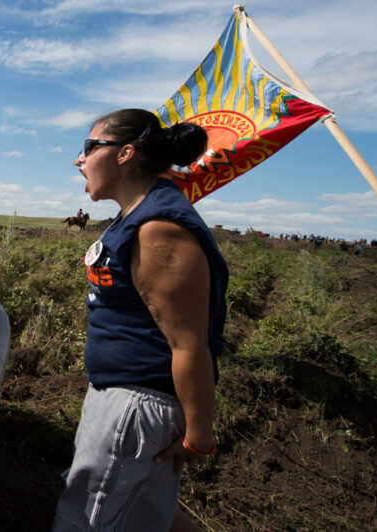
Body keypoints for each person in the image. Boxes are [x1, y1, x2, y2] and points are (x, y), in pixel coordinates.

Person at [53, 109, 228, 532]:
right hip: (122, 400)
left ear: (126, 153)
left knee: (88, 521)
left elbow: (189, 343)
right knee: (147, 513)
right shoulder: (137, 212)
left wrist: (199, 438)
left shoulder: (157, 227)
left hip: (136, 407)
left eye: (90, 147)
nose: (80, 159)